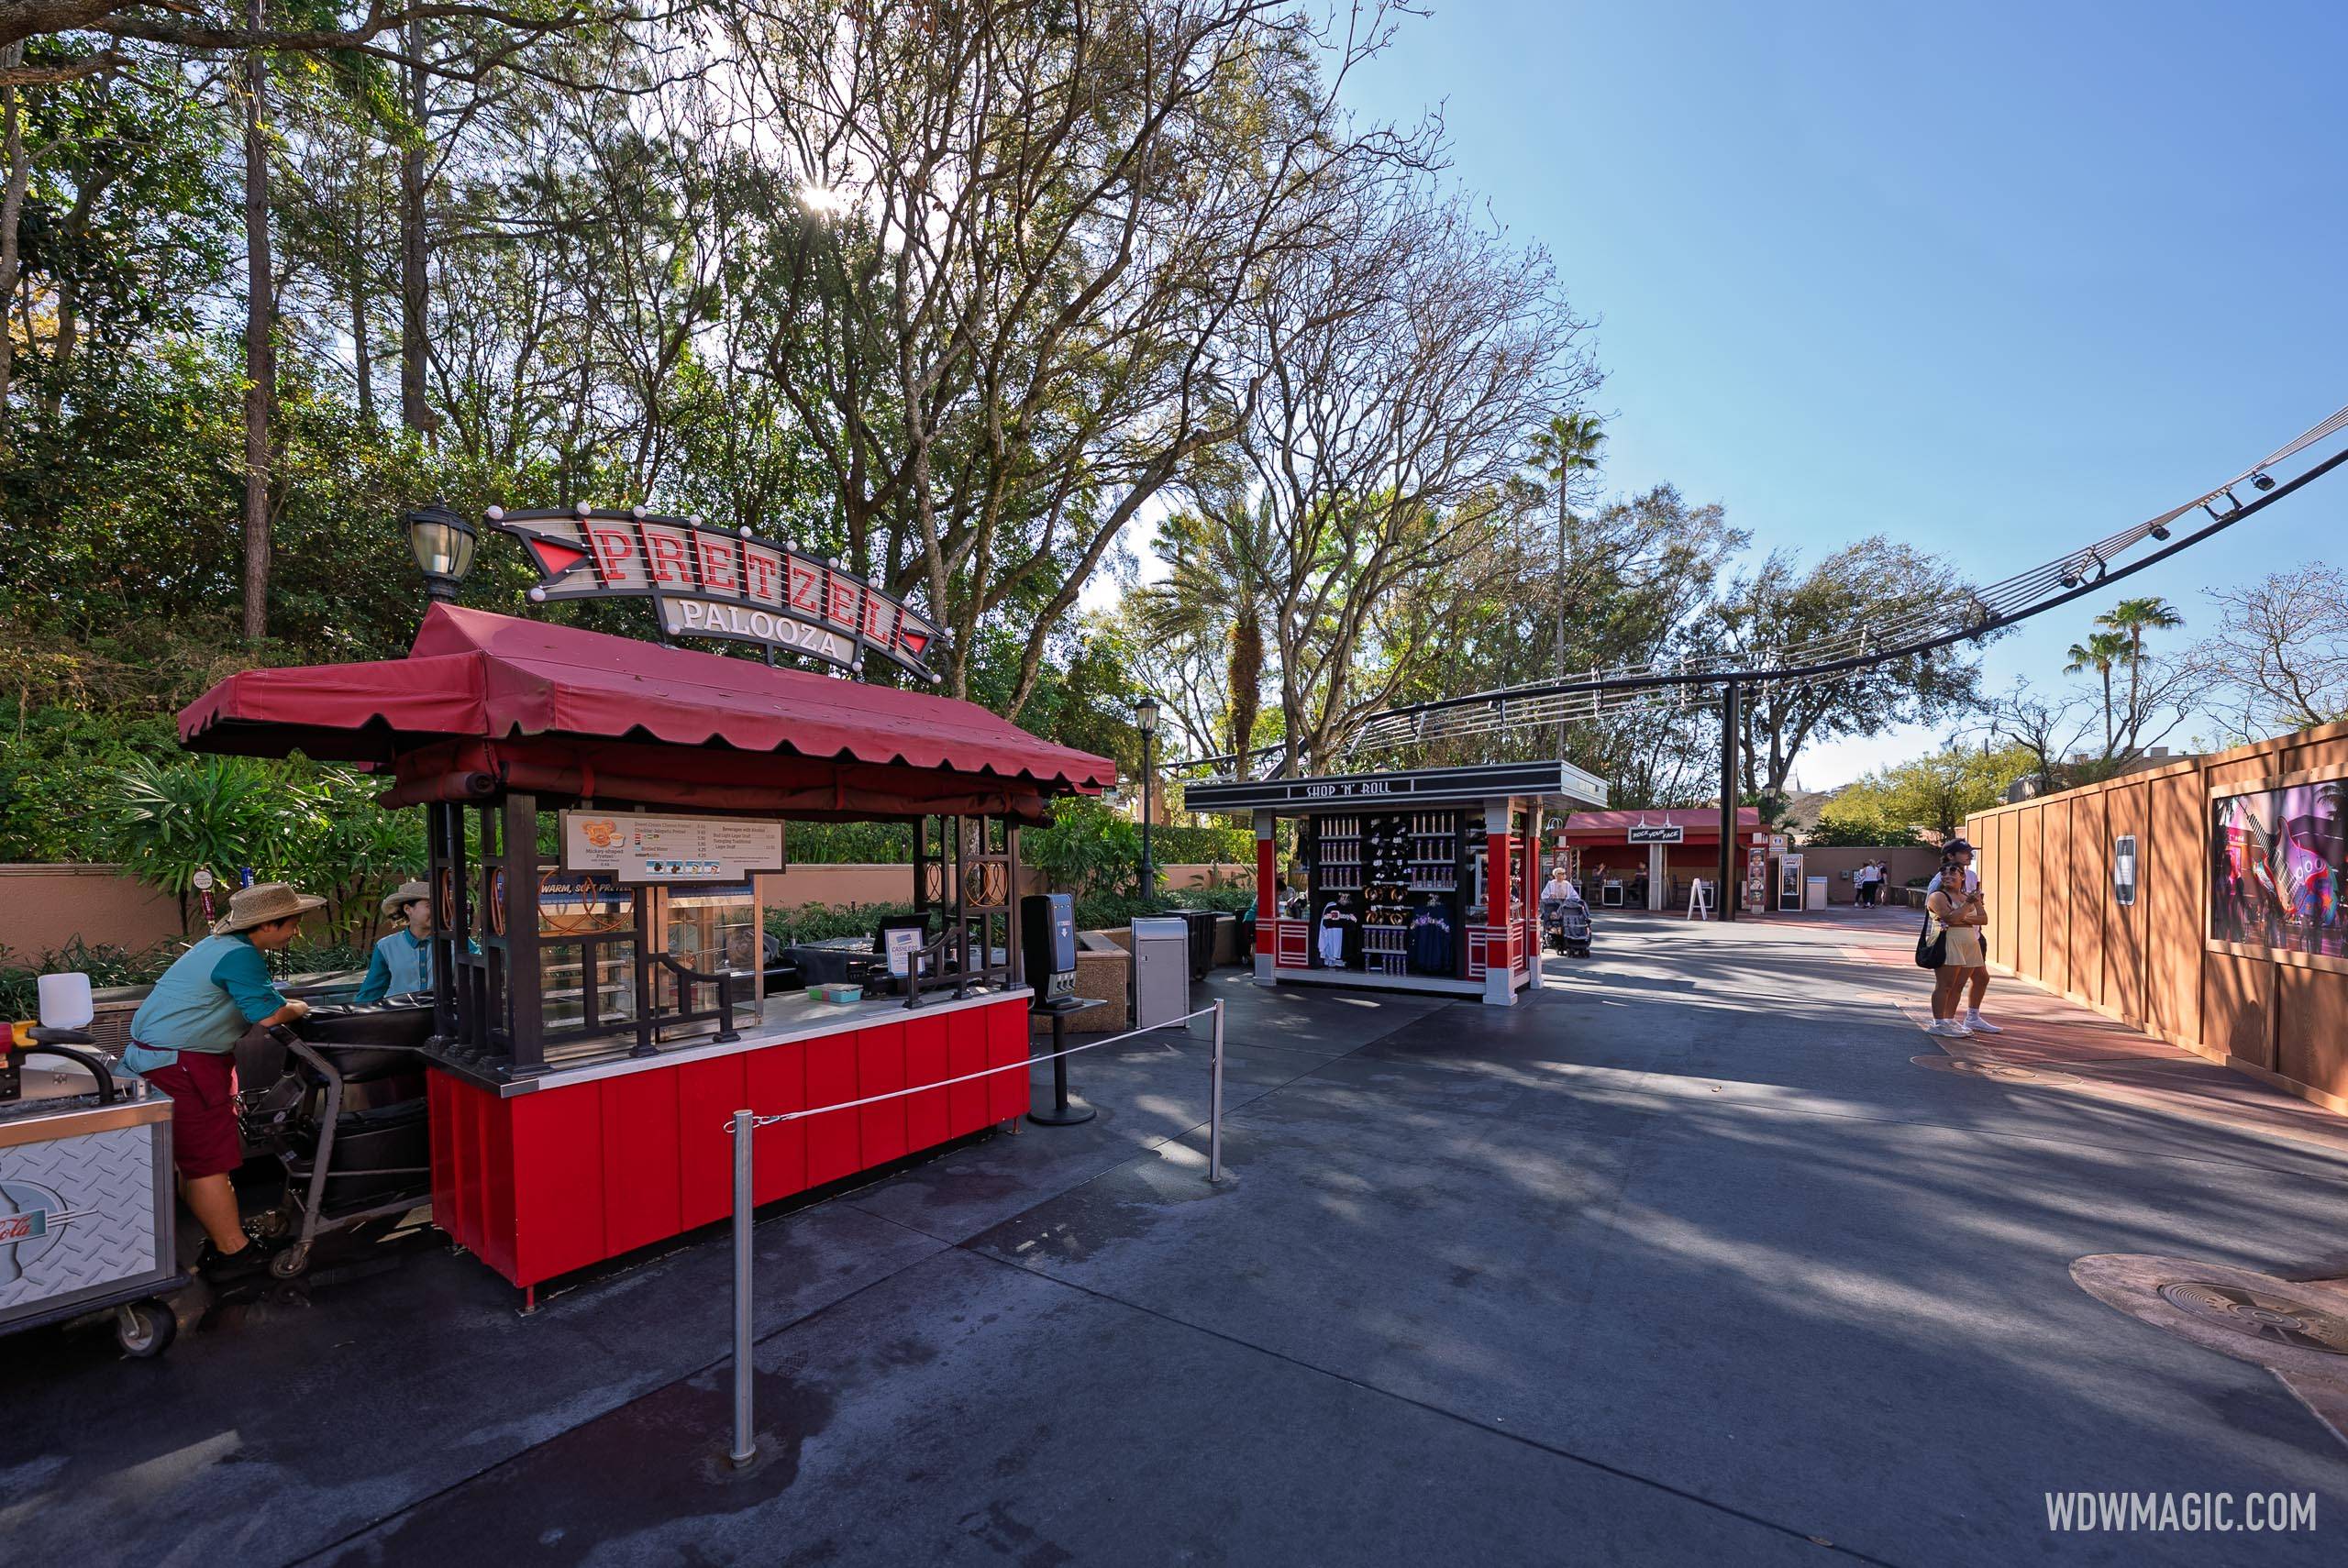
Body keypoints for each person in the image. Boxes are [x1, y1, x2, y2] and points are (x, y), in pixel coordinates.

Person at [123, 881, 322, 1283]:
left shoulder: (216, 947)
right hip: (183, 1066)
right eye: (292, 925)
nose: (296, 933)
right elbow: (268, 1014)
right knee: (208, 1163)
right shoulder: (240, 957)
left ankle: (222, 1238)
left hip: (163, 1060)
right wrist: (299, 1005)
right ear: (267, 925)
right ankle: (235, 1252)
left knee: (192, 1162)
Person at [1925, 839, 1999, 1034]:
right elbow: (1945, 917)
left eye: (1953, 873)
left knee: (1969, 981)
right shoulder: (1938, 887)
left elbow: (1982, 915)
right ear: (1950, 856)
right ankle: (1940, 1022)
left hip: (1972, 938)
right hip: (1949, 939)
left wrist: (1965, 917)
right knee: (1947, 984)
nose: (1970, 855)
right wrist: (1966, 912)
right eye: (1965, 852)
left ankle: (1957, 1019)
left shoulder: (1971, 876)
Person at [356, 879, 435, 1004]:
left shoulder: (457, 943)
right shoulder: (386, 946)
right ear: (408, 909)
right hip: (400, 1016)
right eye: (430, 905)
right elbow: (371, 993)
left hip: (443, 1018)